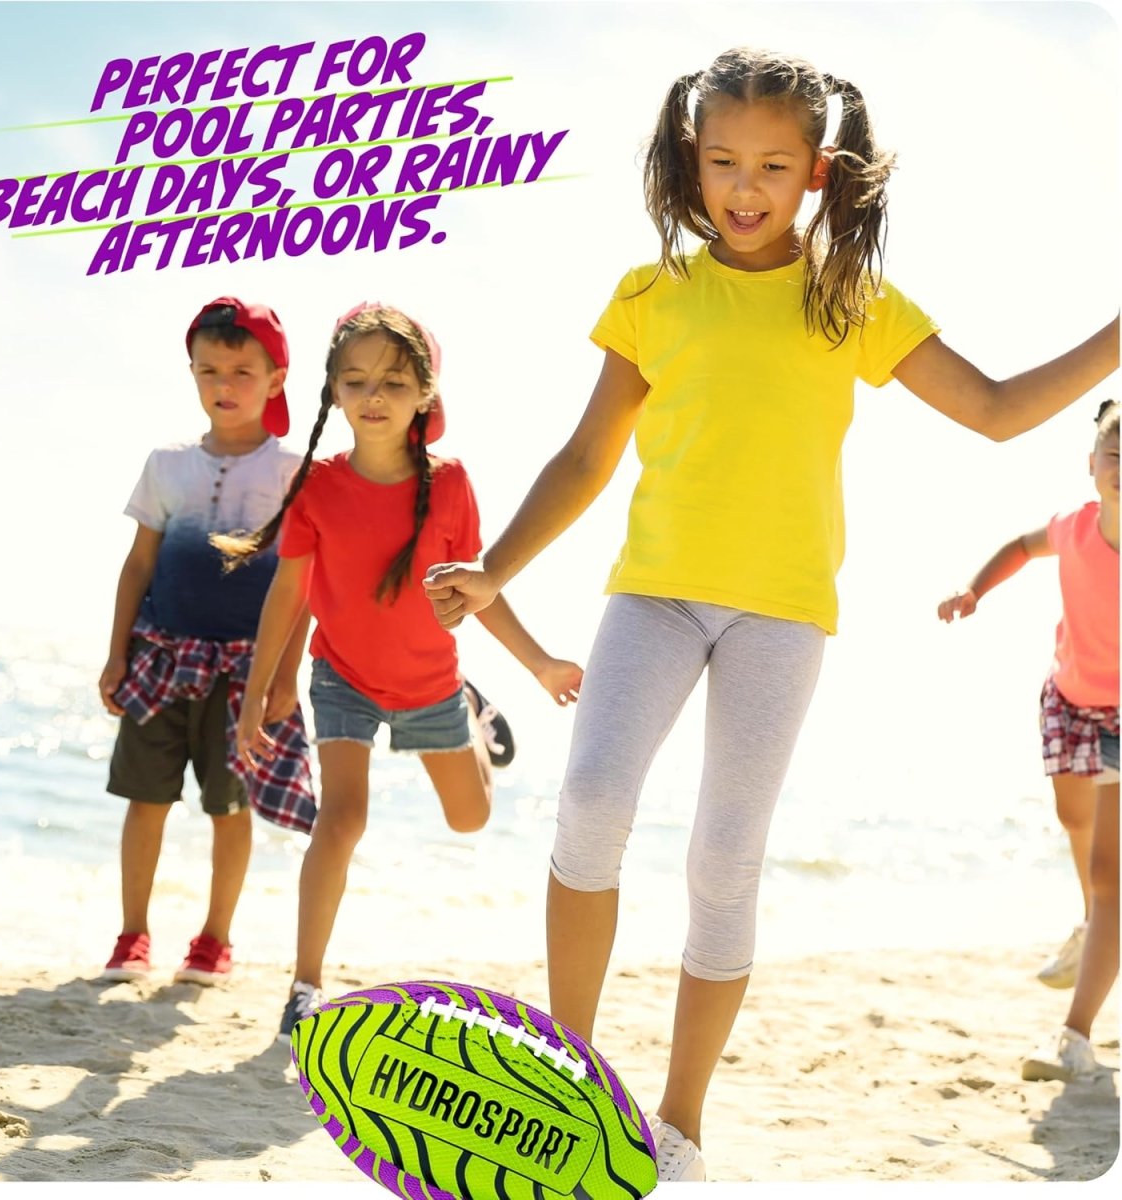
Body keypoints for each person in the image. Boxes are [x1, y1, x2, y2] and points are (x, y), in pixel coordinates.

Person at [422, 48, 1120, 1181]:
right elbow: (586, 455)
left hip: (779, 616)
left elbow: (993, 411)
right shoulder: (653, 297)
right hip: (651, 592)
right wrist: (497, 569)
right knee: (592, 800)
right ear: (686, 163)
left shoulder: (849, 304)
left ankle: (680, 1124)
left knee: (722, 860)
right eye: (719, 163)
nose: (741, 189)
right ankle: (563, 1073)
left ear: (817, 175)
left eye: (770, 166)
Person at [218, 302, 584, 1042]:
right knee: (342, 819)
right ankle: (305, 985)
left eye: (392, 381)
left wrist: (541, 663)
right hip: (343, 677)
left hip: (428, 685)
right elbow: (288, 593)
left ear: (426, 395)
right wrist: (261, 692)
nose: (373, 397)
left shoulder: (450, 485)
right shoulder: (315, 486)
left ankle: (475, 721)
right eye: (355, 382)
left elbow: (479, 592)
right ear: (333, 393)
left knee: (469, 817)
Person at [98, 298, 315, 987]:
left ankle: (214, 941)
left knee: (230, 805)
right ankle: (132, 936)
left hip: (245, 670)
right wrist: (116, 652)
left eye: (242, 371)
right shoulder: (168, 465)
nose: (226, 384)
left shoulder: (292, 470)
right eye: (209, 370)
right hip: (161, 654)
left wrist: (284, 677)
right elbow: (138, 563)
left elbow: (304, 582)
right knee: (146, 797)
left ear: (276, 379)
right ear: (192, 373)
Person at [939, 400, 1119, 1080]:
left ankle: (1073, 1036)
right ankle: (1092, 920)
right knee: (1072, 821)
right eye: (1115, 457)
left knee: (1110, 876)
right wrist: (973, 589)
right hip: (1070, 703)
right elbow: (1019, 546)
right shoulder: (1074, 530)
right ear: (1093, 467)